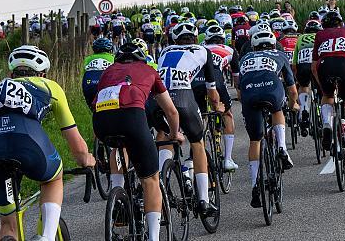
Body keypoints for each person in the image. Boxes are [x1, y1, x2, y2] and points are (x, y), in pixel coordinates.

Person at [0, 45, 94, 241]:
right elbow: (74, 140)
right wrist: (86, 159)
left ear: (11, 73)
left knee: (8, 224)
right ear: (42, 73)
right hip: (27, 140)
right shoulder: (50, 86)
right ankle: (47, 237)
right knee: (53, 178)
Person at [93, 43, 183, 241]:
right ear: (141, 58)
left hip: (101, 123)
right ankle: (153, 237)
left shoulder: (107, 72)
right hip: (132, 118)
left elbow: (96, 105)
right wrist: (175, 134)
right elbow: (171, 111)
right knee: (150, 180)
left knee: (120, 147)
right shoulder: (149, 70)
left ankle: (118, 194)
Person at [154, 22, 221, 216]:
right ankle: (204, 201)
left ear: (175, 39)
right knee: (197, 143)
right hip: (183, 96)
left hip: (159, 98)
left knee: (164, 135)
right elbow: (213, 93)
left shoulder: (165, 51)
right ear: (196, 38)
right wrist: (217, 108)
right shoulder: (203, 50)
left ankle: (161, 184)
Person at [238, 30, 298, 209]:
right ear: (273, 45)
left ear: (253, 46)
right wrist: (294, 104)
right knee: (277, 109)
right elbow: (293, 90)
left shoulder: (244, 59)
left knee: (255, 140)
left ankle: (255, 185)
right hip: (271, 90)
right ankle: (282, 149)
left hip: (249, 94)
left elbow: (239, 91)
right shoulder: (279, 54)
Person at [313, 11, 345, 171]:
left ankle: (327, 123)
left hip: (325, 65)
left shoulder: (320, 35)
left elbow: (313, 67)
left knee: (327, 96)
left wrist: (323, 89)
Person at [193, 25, 241, 171]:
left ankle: (197, 152)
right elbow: (236, 77)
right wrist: (238, 93)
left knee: (200, 117)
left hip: (196, 83)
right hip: (215, 79)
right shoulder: (230, 50)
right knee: (227, 114)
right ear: (223, 40)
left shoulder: (199, 49)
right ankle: (227, 159)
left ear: (205, 40)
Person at [292, 20, 321, 136]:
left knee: (304, 87)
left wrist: (297, 79)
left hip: (303, 66)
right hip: (317, 65)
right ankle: (323, 116)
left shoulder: (300, 38)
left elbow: (294, 65)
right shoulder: (321, 36)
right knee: (323, 92)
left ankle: (304, 108)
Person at [82, 38, 115, 107]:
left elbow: (84, 72)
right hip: (106, 85)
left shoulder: (88, 59)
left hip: (89, 84)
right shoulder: (113, 58)